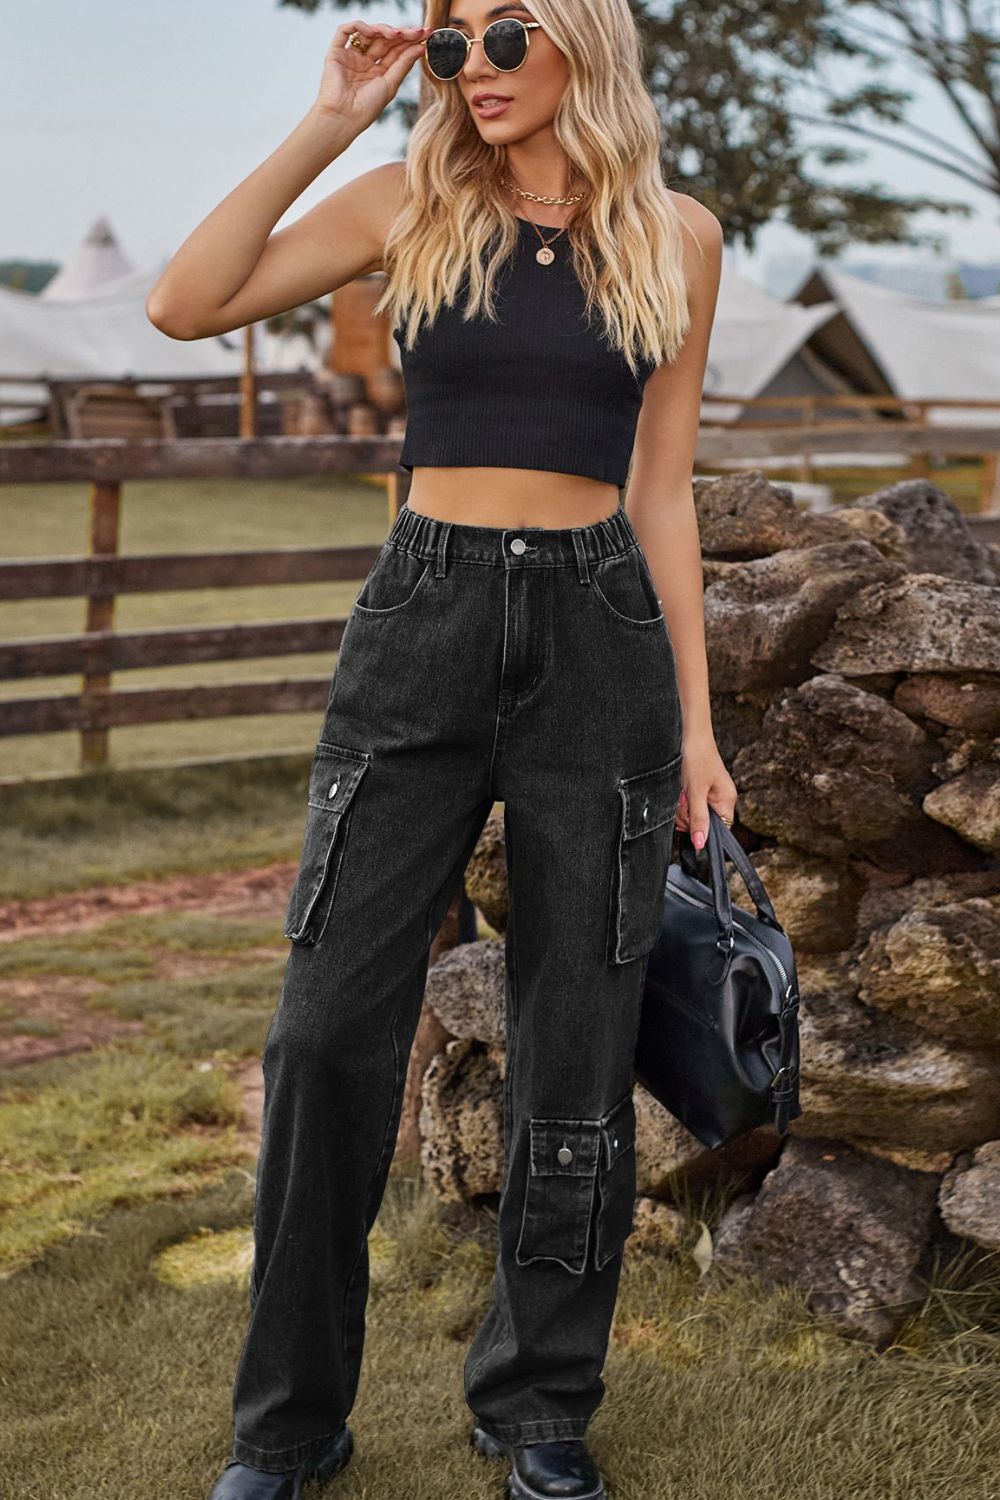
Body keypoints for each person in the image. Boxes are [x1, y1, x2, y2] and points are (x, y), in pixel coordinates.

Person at [147, 3, 736, 1496]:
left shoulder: (677, 235)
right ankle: (286, 1426)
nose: (474, 65)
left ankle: (539, 1410)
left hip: (599, 635)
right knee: (325, 1026)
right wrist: (330, 118)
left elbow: (663, 492)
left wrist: (700, 728)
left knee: (576, 1046)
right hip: (422, 618)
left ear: (582, 43)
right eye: (452, 40)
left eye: (507, 34)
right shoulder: (413, 201)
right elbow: (183, 304)